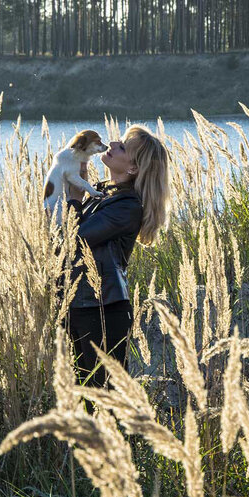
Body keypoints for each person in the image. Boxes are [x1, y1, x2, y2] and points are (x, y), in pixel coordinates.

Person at [61, 125, 170, 390]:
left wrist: (74, 199)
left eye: (121, 146)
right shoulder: (102, 194)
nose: (111, 143)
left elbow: (76, 239)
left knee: (103, 396)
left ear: (132, 168)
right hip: (77, 303)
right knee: (80, 394)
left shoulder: (127, 206)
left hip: (101, 309)